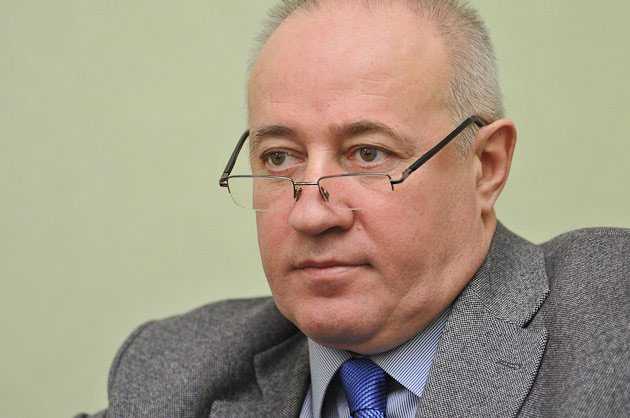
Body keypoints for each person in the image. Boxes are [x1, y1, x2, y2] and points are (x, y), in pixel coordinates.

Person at [77, 1, 630, 417]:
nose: (311, 215)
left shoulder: (612, 316)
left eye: (368, 154)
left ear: (485, 166)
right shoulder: (176, 369)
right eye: (279, 158)